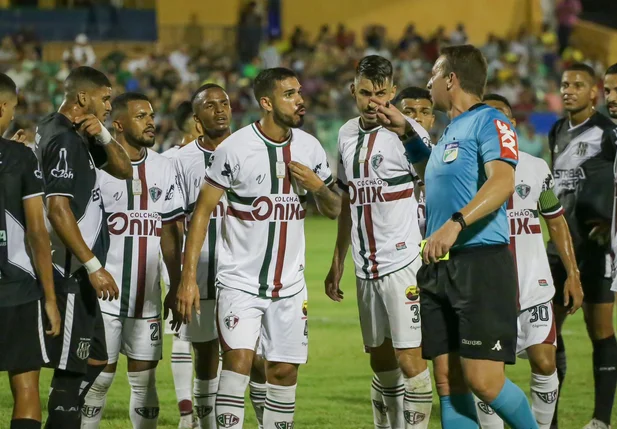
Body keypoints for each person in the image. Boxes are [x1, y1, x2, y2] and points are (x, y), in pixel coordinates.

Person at [370, 44, 539, 429]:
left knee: (484, 381)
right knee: (448, 382)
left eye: (433, 74)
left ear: (451, 79)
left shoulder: (491, 122)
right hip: (438, 268)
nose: (427, 82)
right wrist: (406, 135)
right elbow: (435, 173)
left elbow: (503, 181)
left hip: (479, 262)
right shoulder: (449, 132)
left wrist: (456, 223)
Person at [176, 67, 341, 429]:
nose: (300, 100)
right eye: (289, 94)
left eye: (299, 92)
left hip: (290, 286)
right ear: (266, 103)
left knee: (282, 372)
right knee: (237, 366)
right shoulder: (235, 148)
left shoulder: (310, 146)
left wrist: (317, 186)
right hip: (239, 282)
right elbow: (201, 214)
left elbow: (335, 209)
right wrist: (188, 279)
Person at [325, 56, 433, 429]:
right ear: (353, 90)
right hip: (364, 266)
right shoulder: (344, 134)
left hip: (402, 263)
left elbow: (430, 180)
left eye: (382, 93)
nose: (373, 102)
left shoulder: (409, 132)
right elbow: (347, 201)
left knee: (410, 361)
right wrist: (338, 260)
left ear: (392, 90)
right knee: (381, 360)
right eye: (366, 93)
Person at [470, 93, 584, 429]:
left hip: (533, 287)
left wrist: (572, 274)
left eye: (503, 117)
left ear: (512, 124)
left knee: (545, 362)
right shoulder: (469, 171)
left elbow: (555, 220)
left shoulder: (535, 167)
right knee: (488, 376)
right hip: (488, 293)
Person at [34, 66, 132, 429]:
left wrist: (104, 134)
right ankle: (61, 417)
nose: (109, 106)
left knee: (97, 358)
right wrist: (93, 266)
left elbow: (125, 170)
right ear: (82, 98)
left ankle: (63, 411)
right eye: (105, 99)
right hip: (72, 271)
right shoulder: (63, 140)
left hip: (78, 270)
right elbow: (57, 209)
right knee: (73, 368)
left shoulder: (69, 130)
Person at [81, 92, 184, 428]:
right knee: (99, 380)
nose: (151, 122)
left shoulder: (163, 167)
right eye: (141, 116)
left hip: (147, 297)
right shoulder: (96, 167)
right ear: (120, 124)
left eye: (151, 115)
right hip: (104, 295)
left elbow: (170, 232)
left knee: (145, 381)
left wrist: (177, 283)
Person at [547, 63, 617, 429]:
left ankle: (600, 420)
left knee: (600, 329)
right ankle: (550, 419)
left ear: (595, 93)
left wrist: (609, 222)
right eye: (564, 83)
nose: (568, 90)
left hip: (596, 248)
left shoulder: (609, 134)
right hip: (560, 247)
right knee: (548, 332)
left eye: (578, 84)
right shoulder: (557, 131)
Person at [0, 72, 60, 429]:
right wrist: (50, 298)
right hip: (17, 289)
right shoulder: (21, 157)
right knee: (26, 386)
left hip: (16, 289)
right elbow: (38, 232)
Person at [172, 83, 232, 429]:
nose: (220, 110)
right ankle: (203, 420)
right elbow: (173, 221)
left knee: (251, 356)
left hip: (244, 272)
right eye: (210, 106)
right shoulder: (180, 161)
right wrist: (183, 275)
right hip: (202, 269)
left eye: (224, 103)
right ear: (197, 119)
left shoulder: (248, 149)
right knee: (205, 350)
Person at [162, 98, 202, 429]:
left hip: (172, 256)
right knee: (207, 339)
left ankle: (186, 413)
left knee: (181, 335)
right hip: (197, 256)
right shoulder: (205, 159)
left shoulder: (163, 160)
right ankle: (201, 412)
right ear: (198, 123)